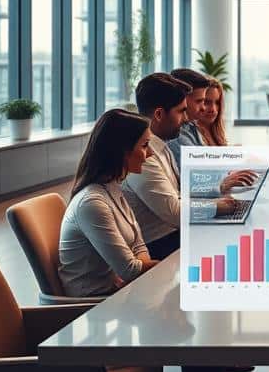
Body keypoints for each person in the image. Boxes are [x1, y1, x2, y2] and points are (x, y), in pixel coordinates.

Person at [124, 73, 255, 259]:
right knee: (237, 243)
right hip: (158, 244)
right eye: (181, 111)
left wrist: (218, 201)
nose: (187, 118)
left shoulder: (161, 146)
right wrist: (218, 207)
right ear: (159, 114)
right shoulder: (145, 156)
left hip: (173, 234)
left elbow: (180, 194)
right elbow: (175, 212)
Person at [58, 108, 160, 298]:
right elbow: (130, 270)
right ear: (123, 151)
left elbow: (138, 246)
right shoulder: (92, 203)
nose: (151, 153)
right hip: (94, 305)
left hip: (118, 294)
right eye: (145, 145)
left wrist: (144, 267)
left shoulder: (111, 188)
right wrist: (164, 265)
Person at [167, 68, 212, 167]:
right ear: (182, 99)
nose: (203, 108)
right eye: (199, 101)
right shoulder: (175, 135)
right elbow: (200, 170)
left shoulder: (190, 125)